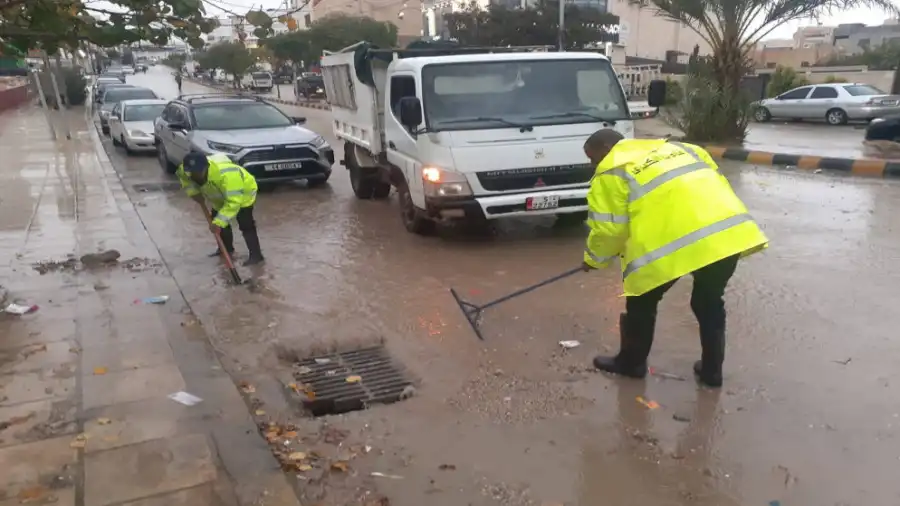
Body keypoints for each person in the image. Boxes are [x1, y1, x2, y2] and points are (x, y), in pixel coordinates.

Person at [581, 129, 768, 387]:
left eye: (592, 158)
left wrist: (593, 260)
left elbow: (609, 230)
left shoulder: (611, 170)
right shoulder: (685, 149)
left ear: (605, 148)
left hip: (677, 243)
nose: (593, 166)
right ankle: (712, 372)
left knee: (641, 302)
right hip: (726, 234)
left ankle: (631, 364)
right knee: (709, 301)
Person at [177, 152, 265, 266]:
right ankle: (226, 250)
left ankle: (256, 256)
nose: (195, 175)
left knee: (245, 223)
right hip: (218, 195)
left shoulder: (228, 175)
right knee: (217, 219)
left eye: (198, 172)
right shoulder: (185, 170)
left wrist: (219, 223)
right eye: (191, 173)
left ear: (206, 167)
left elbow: (234, 202)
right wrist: (193, 193)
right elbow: (184, 179)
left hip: (242, 193)